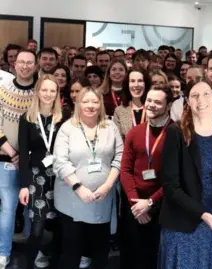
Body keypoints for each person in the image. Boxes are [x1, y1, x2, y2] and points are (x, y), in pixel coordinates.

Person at [159, 80, 212, 269]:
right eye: (194, 95)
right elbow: (171, 186)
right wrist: (202, 213)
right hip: (183, 223)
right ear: (187, 100)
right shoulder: (175, 132)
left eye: (206, 94)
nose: (200, 100)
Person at [53, 87, 123, 269]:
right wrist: (79, 187)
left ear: (101, 104)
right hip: (71, 201)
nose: (90, 106)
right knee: (71, 254)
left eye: (95, 101)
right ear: (78, 103)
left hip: (103, 199)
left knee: (100, 252)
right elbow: (60, 162)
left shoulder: (111, 127)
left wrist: (108, 186)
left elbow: (119, 157)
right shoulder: (67, 128)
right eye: (85, 101)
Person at [119, 87, 174, 269]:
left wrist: (150, 203)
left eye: (158, 102)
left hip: (162, 205)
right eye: (149, 100)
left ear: (168, 105)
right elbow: (125, 170)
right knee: (131, 256)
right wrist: (136, 203)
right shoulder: (135, 132)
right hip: (133, 205)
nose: (151, 105)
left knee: (153, 258)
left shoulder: (176, 133)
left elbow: (176, 176)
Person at [18, 74, 64, 269]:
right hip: (37, 176)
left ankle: (54, 258)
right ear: (37, 91)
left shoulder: (65, 118)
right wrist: (23, 185)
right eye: (44, 89)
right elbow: (23, 154)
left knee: (59, 225)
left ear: (57, 94)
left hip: (61, 177)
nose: (48, 94)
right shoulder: (27, 118)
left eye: (52, 90)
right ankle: (31, 261)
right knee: (37, 227)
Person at [0, 49, 37, 268]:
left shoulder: (41, 91)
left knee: (35, 208)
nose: (24, 66)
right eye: (21, 62)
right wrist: (14, 154)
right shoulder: (2, 89)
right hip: (5, 158)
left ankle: (33, 248)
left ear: (35, 66)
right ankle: (3, 250)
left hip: (34, 159)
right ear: (14, 64)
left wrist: (28, 156)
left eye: (29, 63)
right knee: (9, 206)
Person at [113, 68, 151, 139]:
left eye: (140, 81)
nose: (136, 85)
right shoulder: (119, 111)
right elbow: (118, 140)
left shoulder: (153, 108)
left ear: (146, 84)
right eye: (132, 81)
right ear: (127, 84)